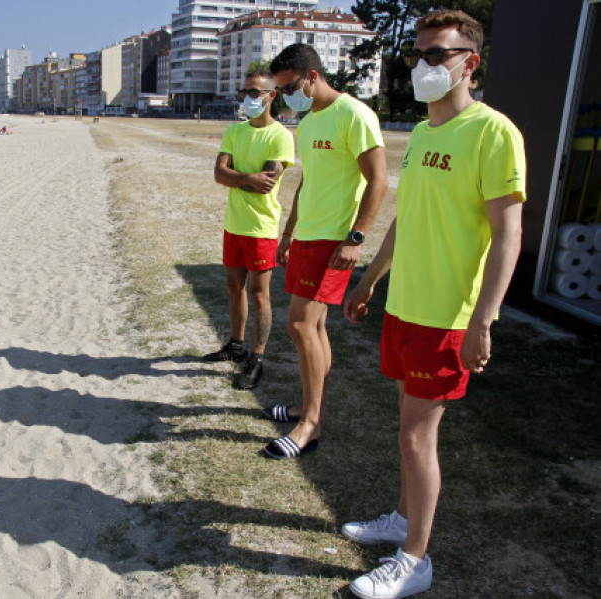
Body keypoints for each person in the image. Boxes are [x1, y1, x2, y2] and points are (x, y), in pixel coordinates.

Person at [340, 10, 525, 598]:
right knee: (405, 430)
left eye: (437, 54)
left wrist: (483, 318)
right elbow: (407, 219)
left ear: (470, 62)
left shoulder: (493, 132)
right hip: (405, 307)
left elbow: (508, 235)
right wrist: (371, 279)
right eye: (417, 54)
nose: (423, 65)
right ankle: (402, 519)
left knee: (419, 438)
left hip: (447, 317)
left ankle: (415, 559)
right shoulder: (422, 133)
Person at [260, 44, 388, 459]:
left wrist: (356, 239)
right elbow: (308, 184)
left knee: (300, 326)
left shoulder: (354, 114)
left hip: (335, 241)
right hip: (307, 238)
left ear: (312, 76)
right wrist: (288, 234)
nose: (287, 97)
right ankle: (308, 406)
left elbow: (379, 181)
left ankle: (310, 424)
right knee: (313, 328)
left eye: (291, 87)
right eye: (280, 91)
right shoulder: (309, 121)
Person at [204, 69, 295, 390]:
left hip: (261, 228)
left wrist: (237, 177)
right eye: (245, 92)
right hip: (234, 225)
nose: (248, 98)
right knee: (233, 287)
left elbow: (265, 185)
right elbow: (219, 174)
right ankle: (236, 344)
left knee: (259, 295)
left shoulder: (280, 136)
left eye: (255, 92)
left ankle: (256, 357)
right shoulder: (234, 131)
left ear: (272, 96)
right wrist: (247, 178)